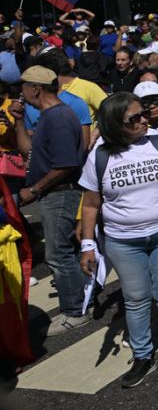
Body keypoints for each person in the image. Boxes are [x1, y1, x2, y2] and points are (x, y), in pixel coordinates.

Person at [80, 92, 158, 386]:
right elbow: (91, 204)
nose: (144, 120)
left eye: (144, 113)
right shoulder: (99, 155)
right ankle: (143, 355)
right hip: (123, 240)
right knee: (135, 299)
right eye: (134, 118)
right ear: (113, 125)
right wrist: (87, 244)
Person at [7, 66, 87, 336]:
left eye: (24, 86)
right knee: (66, 250)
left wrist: (36, 190)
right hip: (54, 191)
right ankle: (80, 299)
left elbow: (65, 164)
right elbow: (28, 151)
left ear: (36, 89)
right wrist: (18, 121)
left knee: (59, 253)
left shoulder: (59, 117)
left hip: (60, 192)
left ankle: (74, 311)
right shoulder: (47, 116)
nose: (21, 92)